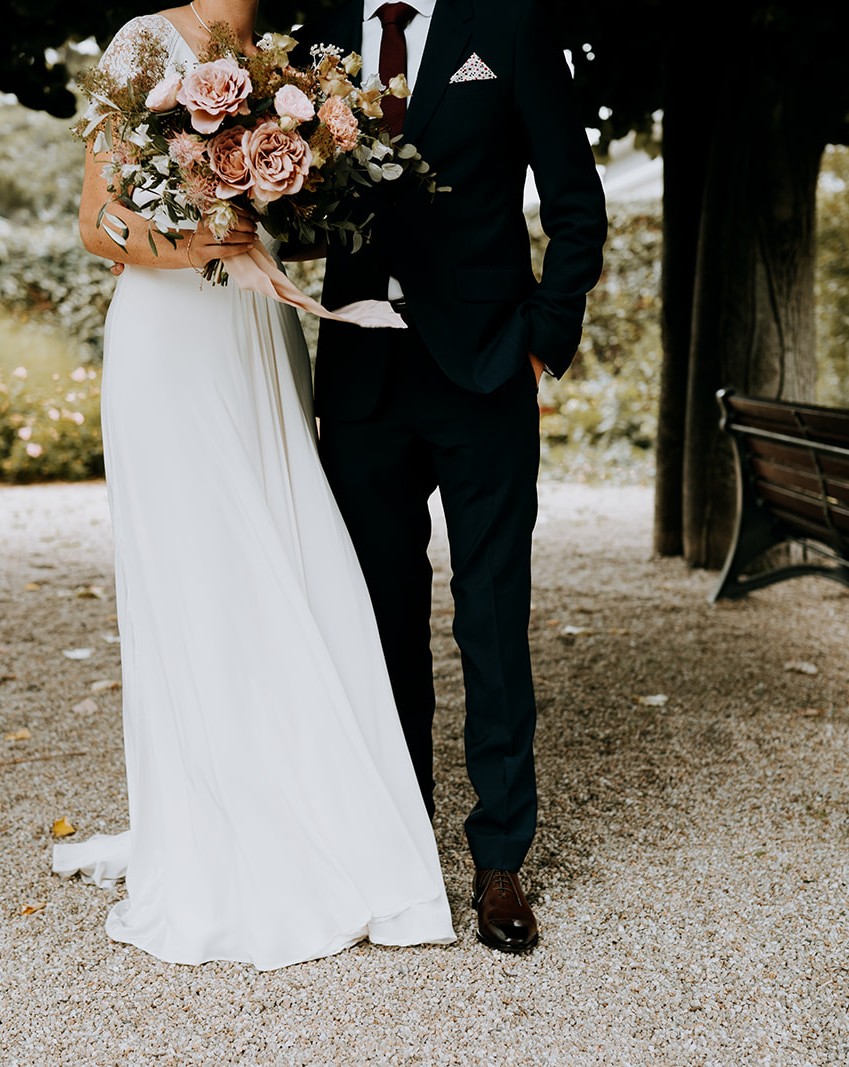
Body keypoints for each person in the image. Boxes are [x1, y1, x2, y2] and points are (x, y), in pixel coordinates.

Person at [52, 0, 455, 971]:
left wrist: (289, 184)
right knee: (196, 564)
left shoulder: (279, 60)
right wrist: (203, 246)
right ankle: (213, 818)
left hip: (257, 327)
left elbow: (303, 217)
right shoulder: (143, 42)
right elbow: (96, 221)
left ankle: (300, 796)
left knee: (282, 547)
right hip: (169, 331)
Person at [300, 0, 608, 953]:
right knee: (379, 617)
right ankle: (399, 841)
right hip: (361, 376)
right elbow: (300, 206)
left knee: (490, 614)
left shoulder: (509, 25)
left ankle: (501, 857)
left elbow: (575, 201)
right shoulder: (314, 36)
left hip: (483, 372)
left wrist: (541, 343)